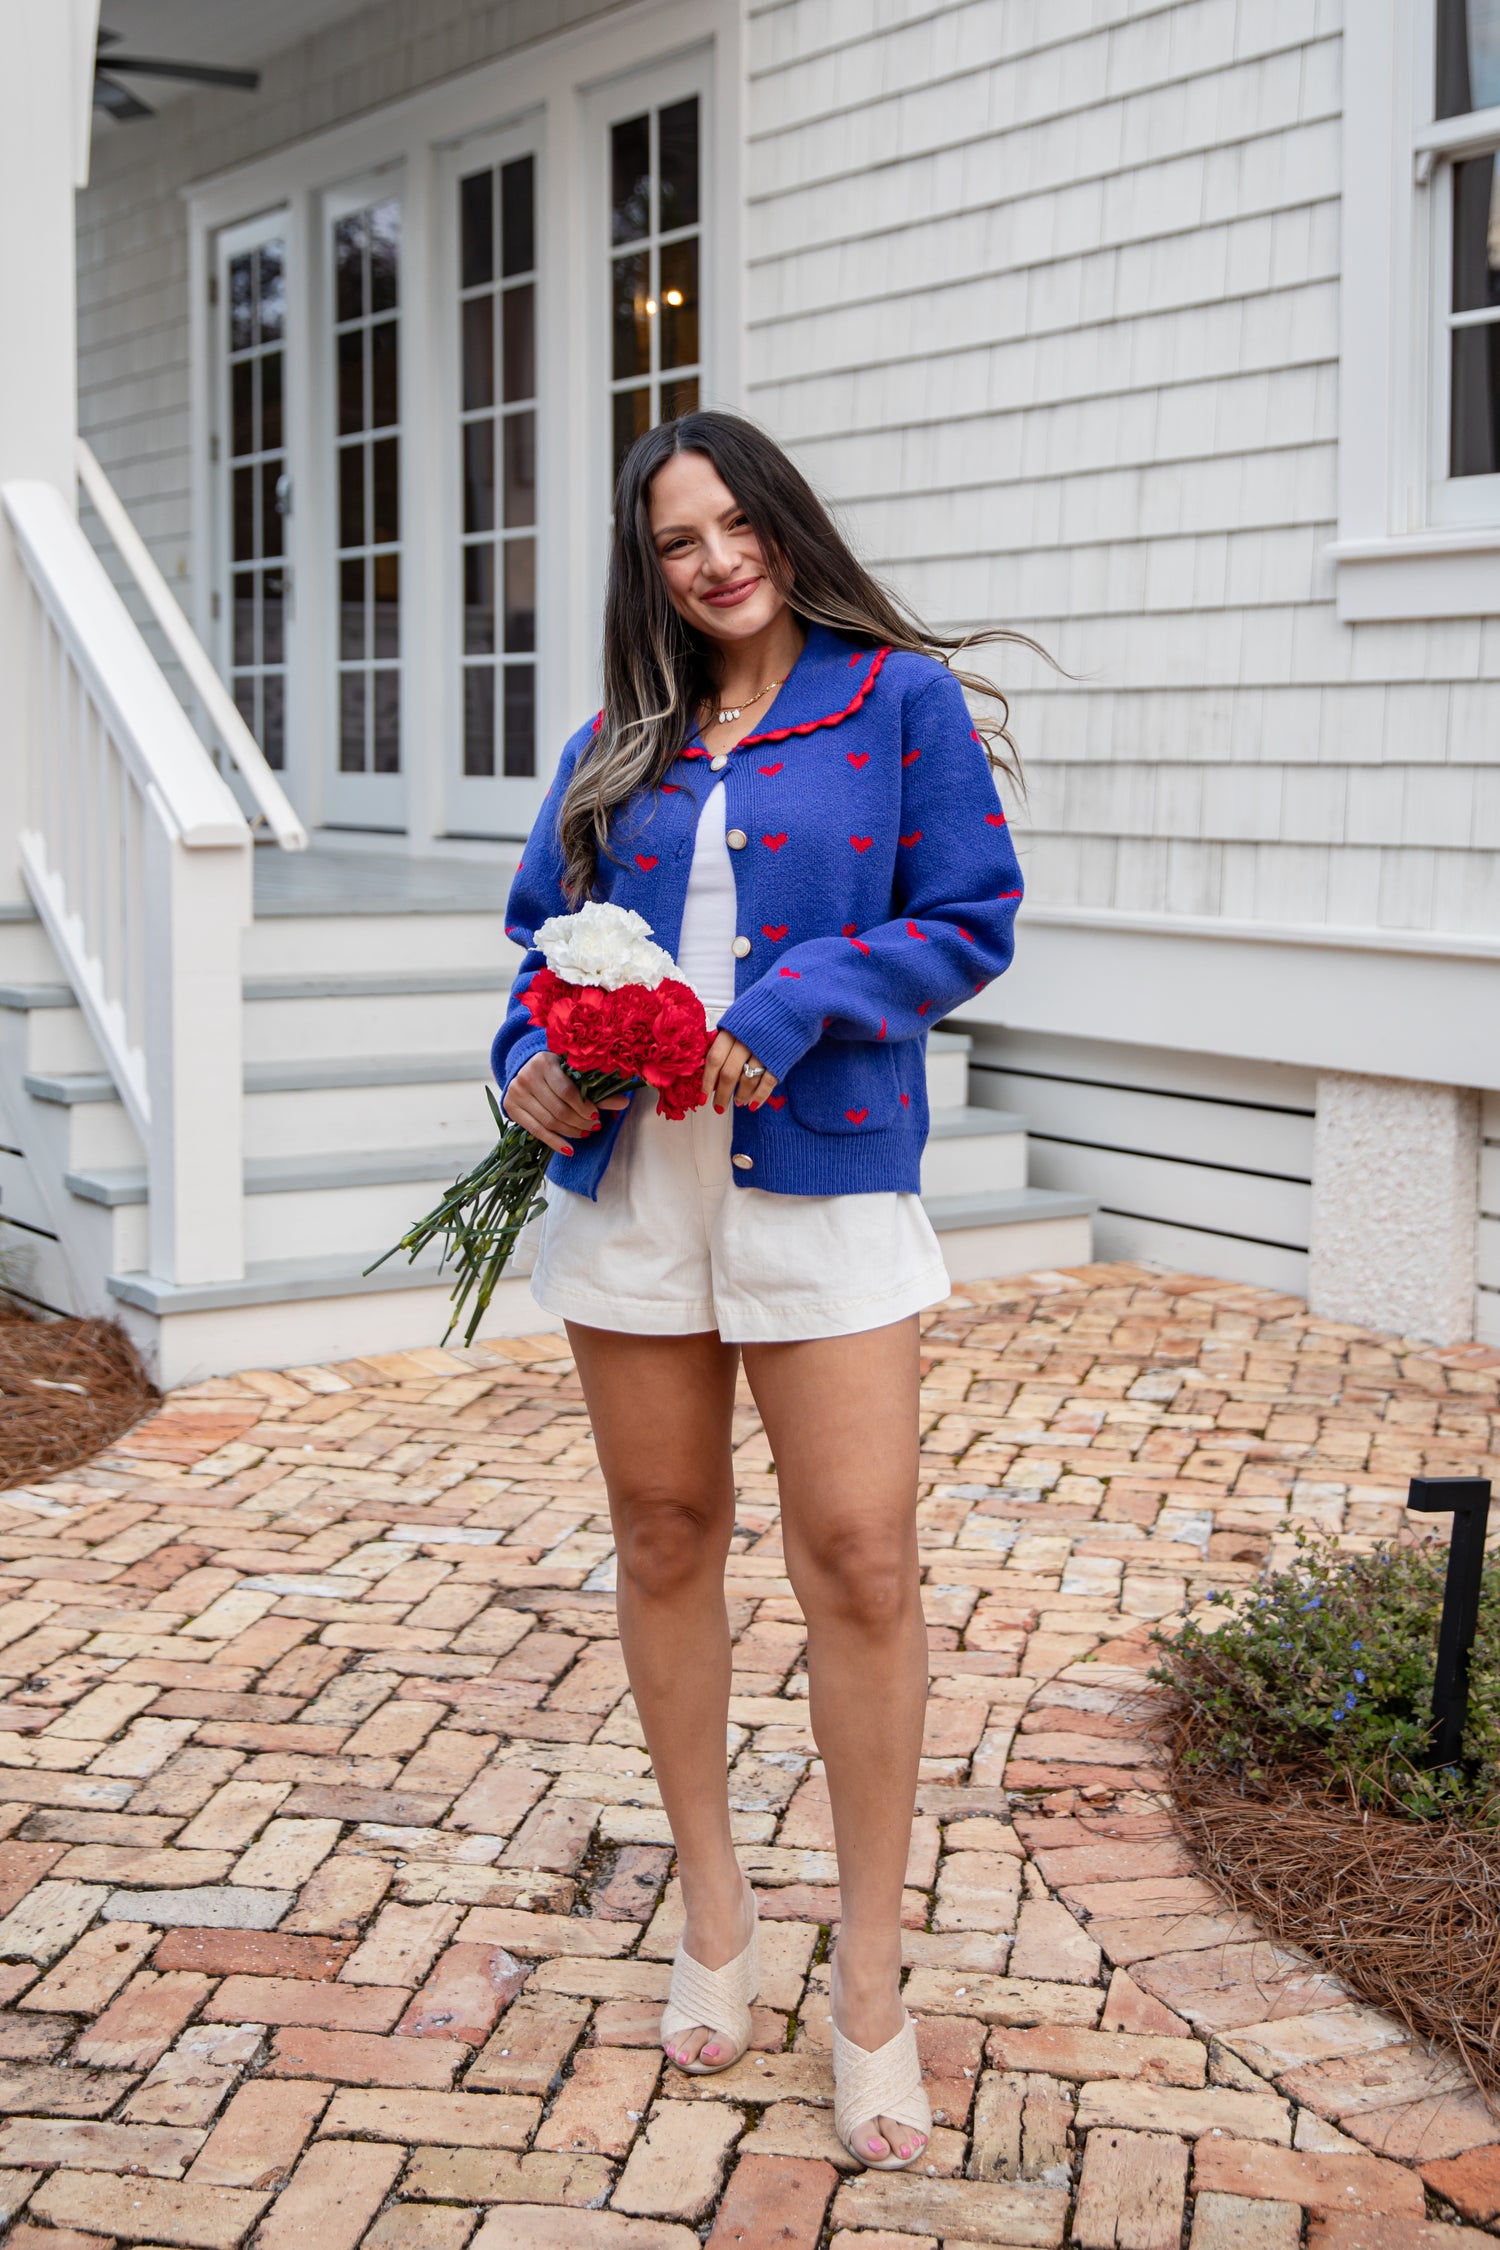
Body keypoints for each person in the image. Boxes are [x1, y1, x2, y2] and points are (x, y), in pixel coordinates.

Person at [493, 410, 1028, 2169]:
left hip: (825, 1177)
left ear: (785, 524)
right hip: (640, 1191)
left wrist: (793, 1005)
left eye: (737, 523)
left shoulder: (896, 705)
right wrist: (524, 1063)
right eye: (678, 540)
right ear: (647, 568)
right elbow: (537, 949)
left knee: (861, 1559)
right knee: (663, 1533)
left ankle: (869, 1977)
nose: (715, 560)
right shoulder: (615, 743)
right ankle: (713, 1911)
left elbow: (969, 917)